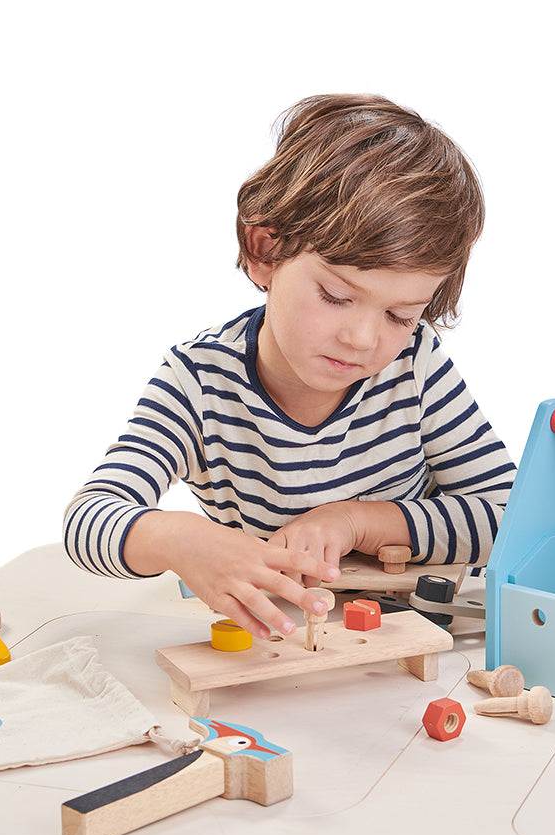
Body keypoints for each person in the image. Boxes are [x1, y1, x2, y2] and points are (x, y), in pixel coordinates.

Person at [63, 94, 516, 640]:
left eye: (400, 314)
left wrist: (356, 521)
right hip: (277, 651)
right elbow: (88, 517)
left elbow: (509, 517)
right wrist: (177, 539)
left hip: (415, 649)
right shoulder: (198, 383)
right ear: (264, 252)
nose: (362, 338)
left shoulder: (414, 363)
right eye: (335, 296)